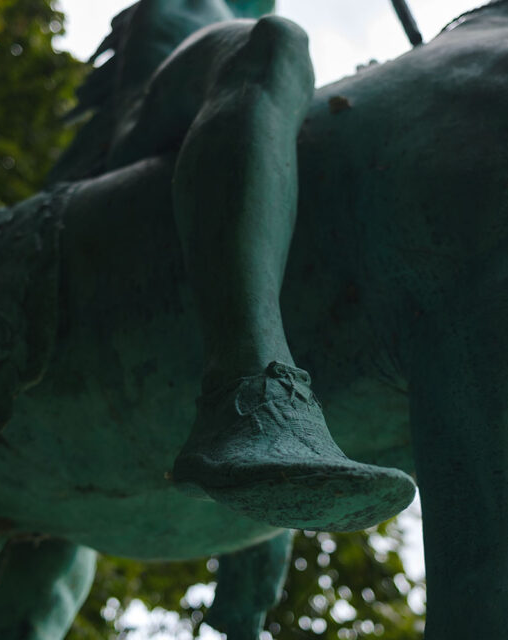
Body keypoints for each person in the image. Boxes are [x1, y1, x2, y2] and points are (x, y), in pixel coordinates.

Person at [64, 0, 417, 531]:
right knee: (274, 45)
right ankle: (245, 389)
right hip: (142, 127)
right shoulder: (190, 8)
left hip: (221, 98)